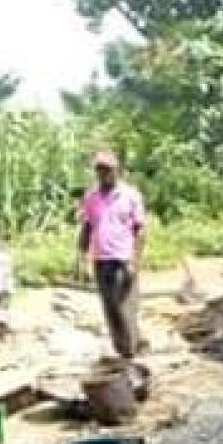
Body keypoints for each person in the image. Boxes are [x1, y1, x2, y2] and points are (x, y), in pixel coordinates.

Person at [78, 151, 146, 358]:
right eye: (99, 170)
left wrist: (134, 261)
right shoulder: (91, 197)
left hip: (122, 259)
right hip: (101, 259)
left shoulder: (130, 195)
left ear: (117, 171)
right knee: (109, 307)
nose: (103, 174)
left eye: (107, 169)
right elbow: (87, 226)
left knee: (125, 306)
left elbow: (140, 230)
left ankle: (132, 350)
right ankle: (122, 350)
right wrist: (81, 255)